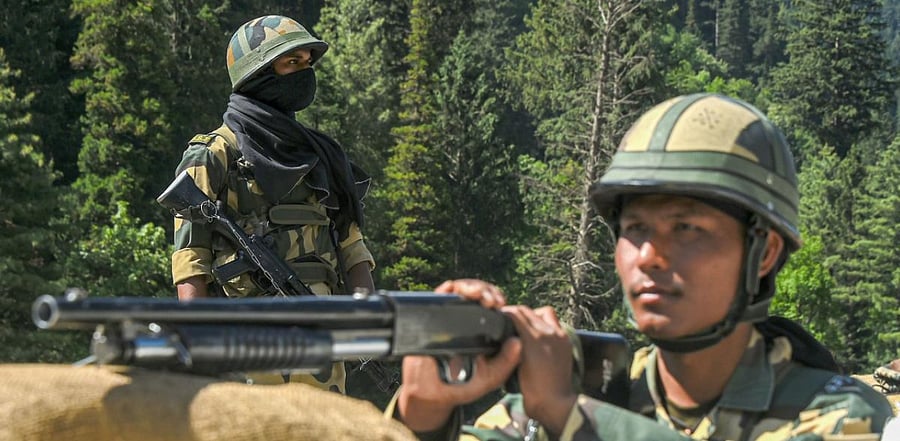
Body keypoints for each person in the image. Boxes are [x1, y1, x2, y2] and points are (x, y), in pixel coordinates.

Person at [391, 94, 895, 440]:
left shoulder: (841, 416)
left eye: (687, 229)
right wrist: (424, 414)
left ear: (763, 253)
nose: (649, 255)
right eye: (635, 230)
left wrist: (572, 420)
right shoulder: (575, 397)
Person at [168, 15, 375, 393]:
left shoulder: (321, 155)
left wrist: (368, 318)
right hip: (244, 346)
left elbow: (351, 246)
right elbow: (190, 260)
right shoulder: (215, 154)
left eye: (308, 62)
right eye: (292, 63)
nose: (304, 72)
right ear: (258, 73)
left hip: (321, 347)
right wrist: (196, 345)